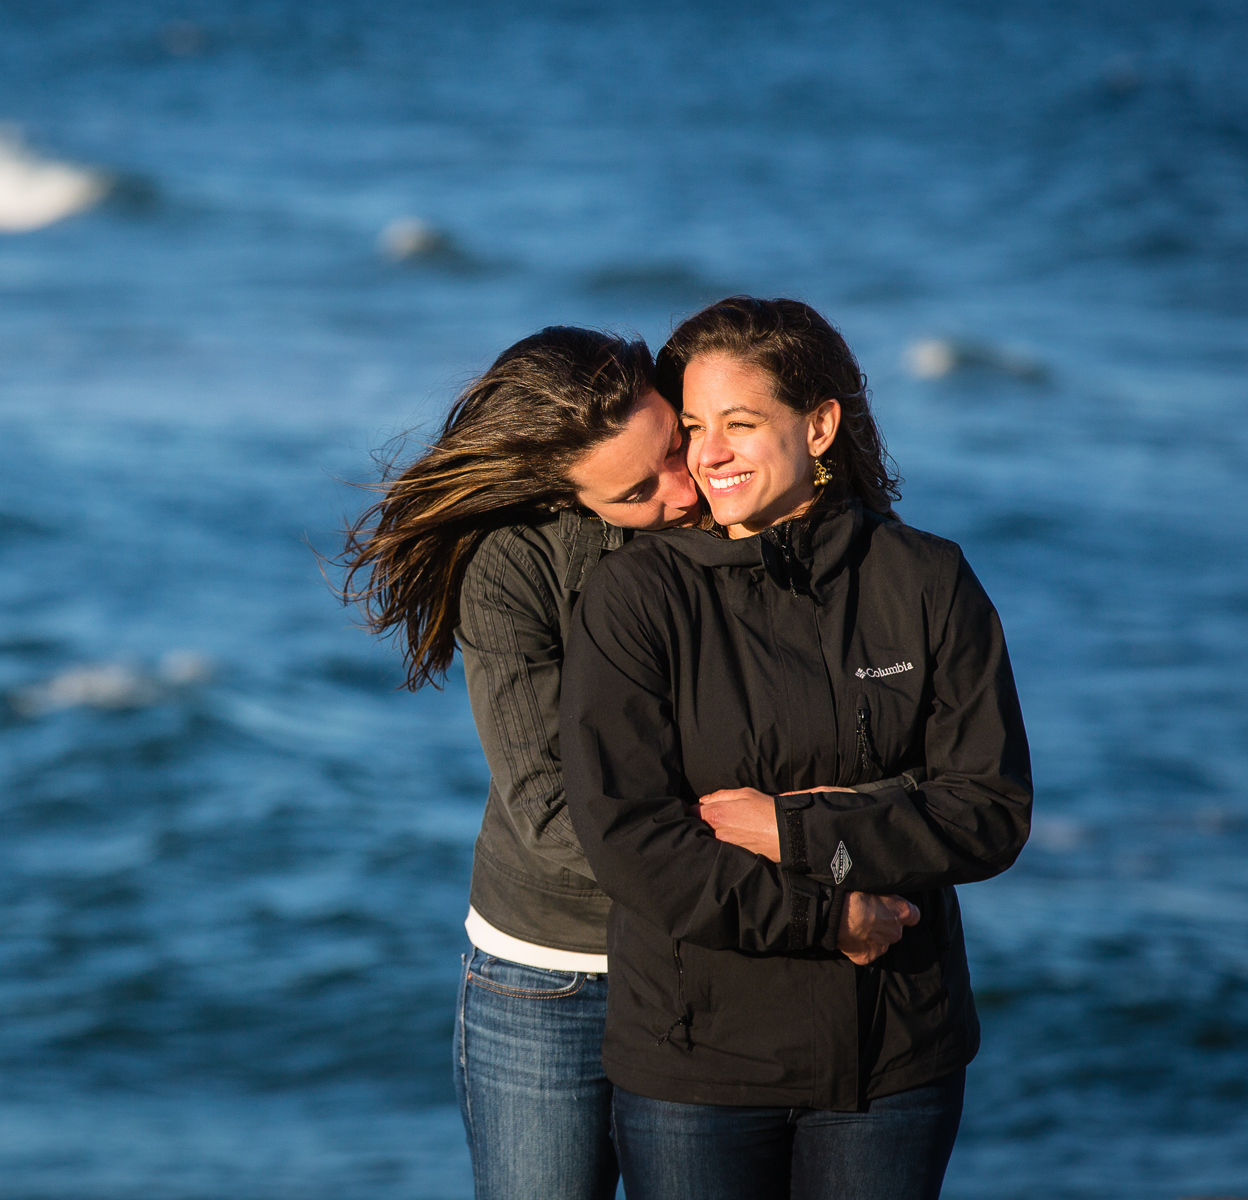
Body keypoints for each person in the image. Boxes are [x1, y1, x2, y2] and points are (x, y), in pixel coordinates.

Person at [560, 296, 1033, 1200]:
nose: (710, 454)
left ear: (818, 426)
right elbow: (631, 840)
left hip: (892, 1060)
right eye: (695, 427)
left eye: (740, 423)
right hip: (694, 1067)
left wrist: (795, 829)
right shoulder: (633, 599)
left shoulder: (925, 579)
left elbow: (989, 812)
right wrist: (832, 917)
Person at [339, 326, 698, 1200]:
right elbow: (546, 809)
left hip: (701, 964)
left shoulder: (737, 511)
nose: (682, 492)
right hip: (546, 975)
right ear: (565, 496)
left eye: (678, 449)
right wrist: (758, 872)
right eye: (636, 492)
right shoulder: (512, 565)